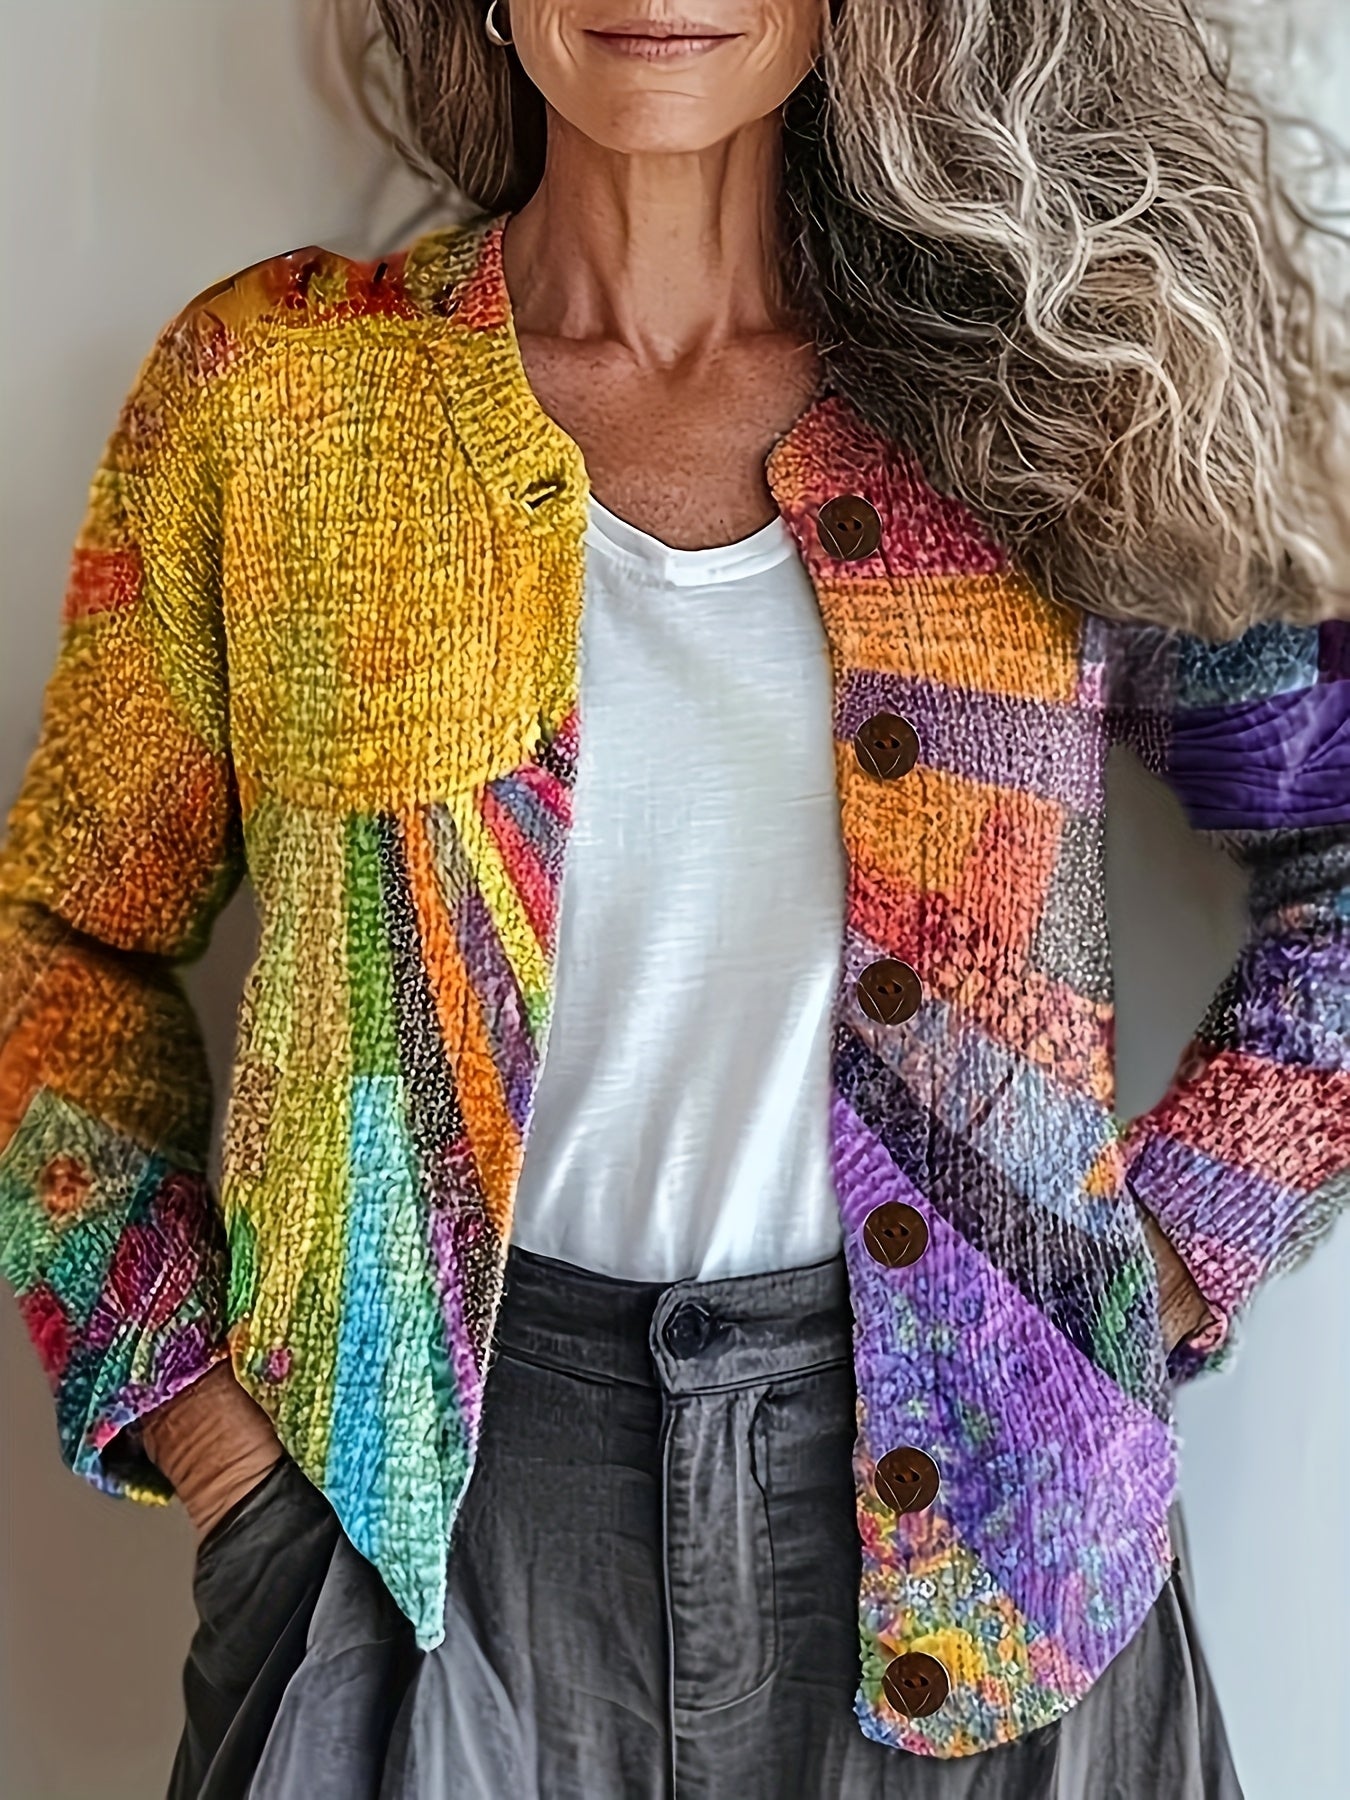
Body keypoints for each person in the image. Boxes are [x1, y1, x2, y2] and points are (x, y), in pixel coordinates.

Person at [1, 1, 1347, 1795]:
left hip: (996, 1546)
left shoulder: (1043, 394)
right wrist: (205, 1427)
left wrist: (1135, 1274)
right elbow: (59, 943)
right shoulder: (276, 395)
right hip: (414, 1539)